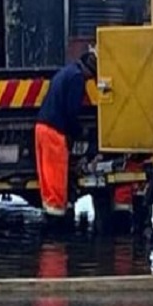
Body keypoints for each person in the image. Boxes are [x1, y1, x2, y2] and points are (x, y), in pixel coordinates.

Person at [35, 49, 97, 222]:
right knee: (56, 179)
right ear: (89, 71)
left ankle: (50, 212)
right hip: (55, 132)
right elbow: (72, 111)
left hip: (41, 128)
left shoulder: (66, 71)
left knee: (46, 178)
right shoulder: (77, 78)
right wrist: (76, 133)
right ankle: (57, 222)